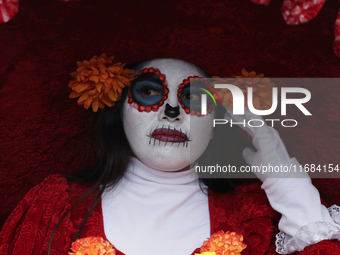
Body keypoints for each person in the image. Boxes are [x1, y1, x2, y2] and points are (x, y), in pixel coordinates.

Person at [0, 57, 340, 255]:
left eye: (194, 98)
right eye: (149, 92)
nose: (172, 112)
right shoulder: (55, 204)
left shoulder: (253, 217)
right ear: (118, 112)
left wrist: (285, 179)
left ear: (217, 122)